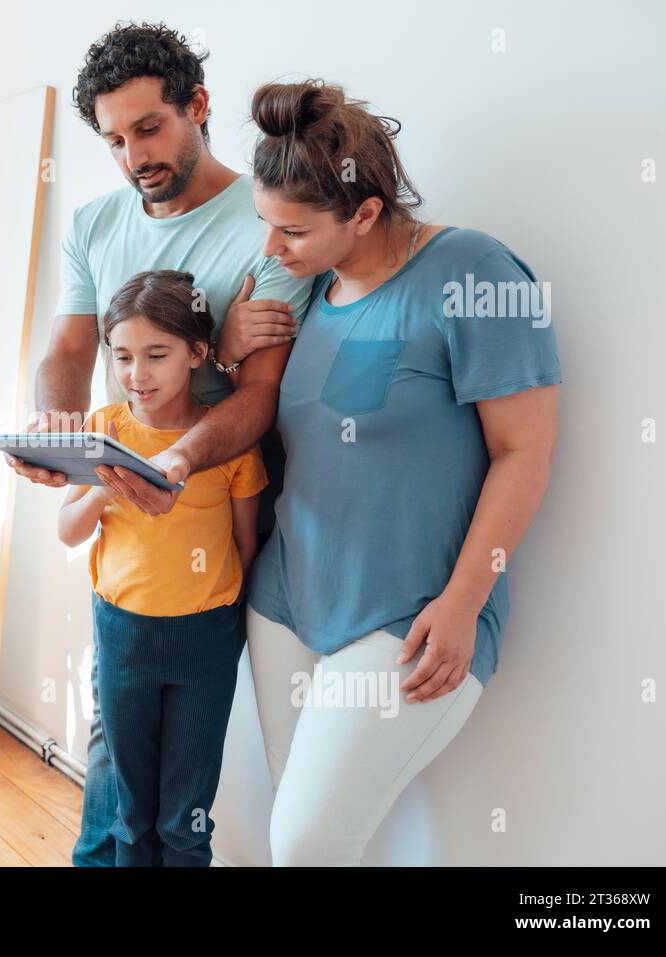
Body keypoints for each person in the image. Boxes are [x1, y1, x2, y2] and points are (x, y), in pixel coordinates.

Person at [2, 22, 310, 867]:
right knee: (113, 759)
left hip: (208, 525)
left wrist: (176, 460)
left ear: (197, 106)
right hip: (125, 530)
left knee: (182, 794)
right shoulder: (96, 224)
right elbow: (68, 355)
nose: (135, 155)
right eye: (114, 140)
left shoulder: (265, 226)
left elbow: (258, 400)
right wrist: (60, 434)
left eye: (149, 128)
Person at [239, 79, 562, 864]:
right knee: (307, 832)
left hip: (410, 616)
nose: (270, 251)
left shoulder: (473, 272)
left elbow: (525, 451)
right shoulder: (313, 291)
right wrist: (231, 340)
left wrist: (463, 601)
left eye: (292, 232)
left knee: (306, 843)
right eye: (265, 227)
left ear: (366, 212)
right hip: (287, 602)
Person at [58, 269, 266, 866]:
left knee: (185, 817)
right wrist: (106, 490)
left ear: (198, 353)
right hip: (122, 632)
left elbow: (244, 544)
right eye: (122, 357)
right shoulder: (102, 429)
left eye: (156, 354)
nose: (136, 374)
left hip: (206, 636)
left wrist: (224, 619)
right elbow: (68, 530)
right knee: (129, 810)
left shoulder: (226, 441)